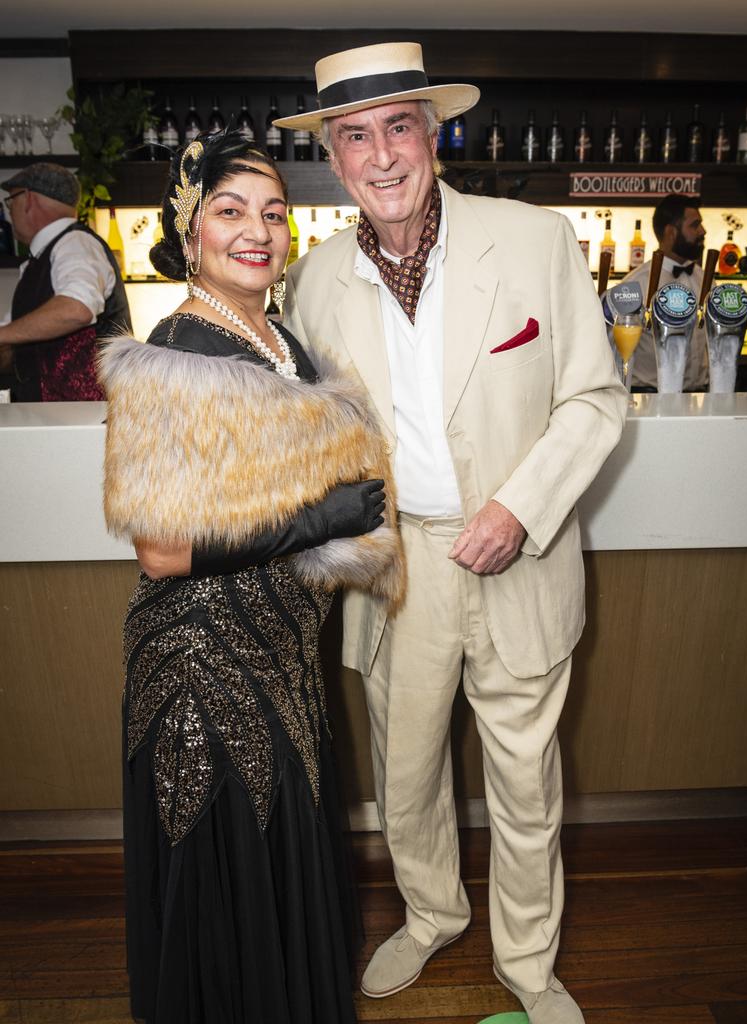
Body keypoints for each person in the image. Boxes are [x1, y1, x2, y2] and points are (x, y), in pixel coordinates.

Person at [278, 42, 627, 1024]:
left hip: (523, 550)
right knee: (406, 769)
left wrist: (520, 505)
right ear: (335, 158)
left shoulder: (533, 240)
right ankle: (431, 912)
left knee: (525, 778)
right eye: (356, 135)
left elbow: (596, 399)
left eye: (399, 127)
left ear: (432, 136)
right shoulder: (313, 283)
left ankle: (527, 958)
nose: (381, 154)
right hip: (399, 566)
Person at [98, 130, 405, 1024]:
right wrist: (324, 519)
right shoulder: (176, 348)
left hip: (278, 644)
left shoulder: (280, 339)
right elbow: (160, 549)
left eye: (273, 212)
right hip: (203, 662)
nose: (257, 231)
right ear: (189, 230)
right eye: (230, 211)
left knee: (282, 852)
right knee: (227, 872)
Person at [0, 163, 131, 401]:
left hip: (83, 421)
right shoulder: (39, 260)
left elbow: (76, 309)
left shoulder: (75, 243)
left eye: (11, 201)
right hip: (55, 418)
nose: (10, 212)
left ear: (28, 199)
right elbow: (15, 352)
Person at [620, 195, 708, 391]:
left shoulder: (704, 279)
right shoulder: (636, 284)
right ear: (671, 232)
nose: (703, 231)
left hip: (699, 396)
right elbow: (616, 348)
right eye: (695, 225)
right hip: (650, 396)